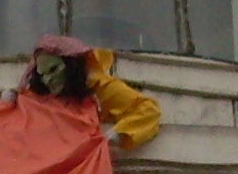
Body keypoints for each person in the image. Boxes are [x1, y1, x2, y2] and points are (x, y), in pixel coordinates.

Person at [23, 33, 161, 149]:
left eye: (53, 70)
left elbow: (148, 110)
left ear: (71, 66)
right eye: (42, 74)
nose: (47, 80)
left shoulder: (99, 87)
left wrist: (120, 133)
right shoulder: (40, 96)